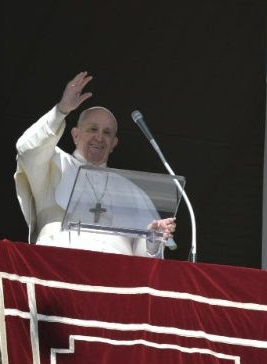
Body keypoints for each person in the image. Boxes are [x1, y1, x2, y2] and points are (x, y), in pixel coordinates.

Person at [14, 71, 176, 257]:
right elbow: (26, 149)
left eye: (107, 133)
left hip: (115, 276)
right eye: (92, 129)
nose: (99, 137)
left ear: (114, 143)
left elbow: (145, 260)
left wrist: (152, 238)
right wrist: (61, 110)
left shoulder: (131, 190)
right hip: (58, 262)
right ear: (75, 135)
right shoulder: (52, 163)